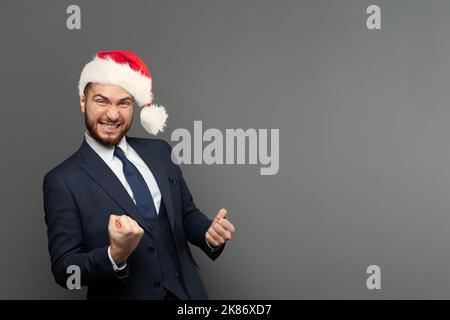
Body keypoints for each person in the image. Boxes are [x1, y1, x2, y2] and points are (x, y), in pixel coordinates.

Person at [43, 50, 235, 300]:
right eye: (101, 101)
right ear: (83, 101)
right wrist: (115, 255)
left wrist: (209, 234)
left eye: (123, 103)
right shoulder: (62, 181)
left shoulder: (160, 152)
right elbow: (65, 270)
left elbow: (186, 214)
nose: (113, 115)